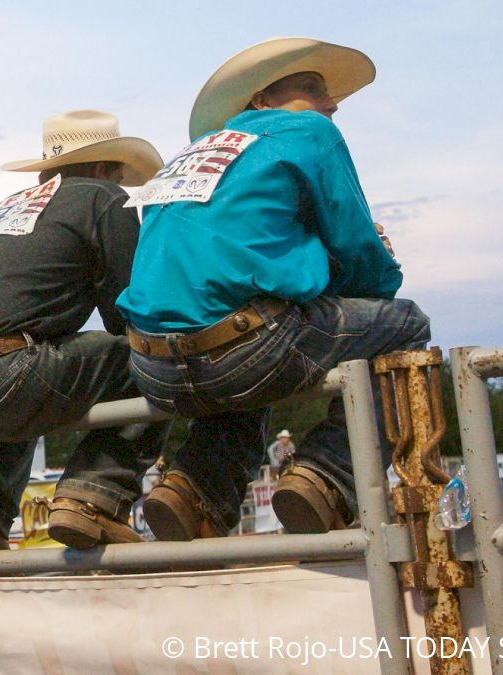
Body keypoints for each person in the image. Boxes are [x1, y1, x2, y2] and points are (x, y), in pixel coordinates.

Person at [118, 37, 431, 536]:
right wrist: (374, 289)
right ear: (262, 99)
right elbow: (359, 250)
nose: (330, 105)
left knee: (251, 353)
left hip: (150, 366)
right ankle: (326, 474)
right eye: (311, 88)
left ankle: (192, 490)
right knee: (407, 324)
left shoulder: (186, 158)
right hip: (245, 349)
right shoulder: (305, 132)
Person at [0, 110, 170, 552]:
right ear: (105, 167)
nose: (121, 182)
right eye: (119, 172)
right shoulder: (104, 199)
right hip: (2, 377)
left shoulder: (8, 208)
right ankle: (93, 496)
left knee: (30, 376)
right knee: (149, 356)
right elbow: (130, 313)